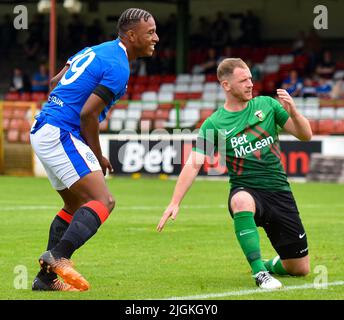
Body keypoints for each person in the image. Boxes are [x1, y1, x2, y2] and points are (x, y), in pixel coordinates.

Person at [30, 8, 159, 291]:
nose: (156, 38)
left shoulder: (95, 50)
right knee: (104, 200)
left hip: (44, 127)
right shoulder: (119, 66)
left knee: (74, 205)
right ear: (131, 35)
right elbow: (88, 114)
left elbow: (54, 83)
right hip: (61, 132)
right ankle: (58, 257)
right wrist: (98, 155)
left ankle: (45, 280)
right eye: (150, 32)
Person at [157, 58, 312, 289]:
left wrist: (295, 113)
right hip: (246, 189)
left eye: (250, 78)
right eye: (243, 80)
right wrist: (175, 201)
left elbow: (305, 135)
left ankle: (268, 264)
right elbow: (193, 163)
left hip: (279, 191)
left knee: (299, 269)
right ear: (226, 85)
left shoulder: (267, 106)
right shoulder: (214, 123)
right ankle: (259, 272)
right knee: (241, 201)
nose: (250, 83)